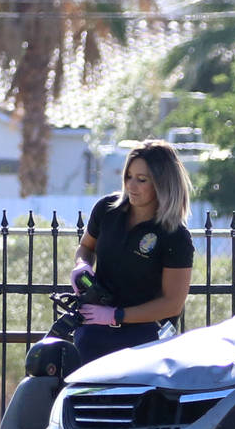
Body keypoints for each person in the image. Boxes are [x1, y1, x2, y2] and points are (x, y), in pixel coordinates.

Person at [70, 140, 195, 363]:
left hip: (145, 340)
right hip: (94, 329)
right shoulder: (106, 210)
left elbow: (172, 303)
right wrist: (82, 265)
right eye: (128, 176)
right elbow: (86, 247)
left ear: (162, 183)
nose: (131, 185)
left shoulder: (175, 235)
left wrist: (116, 316)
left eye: (141, 180)